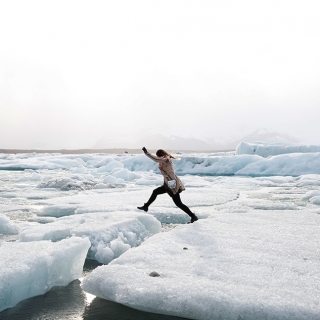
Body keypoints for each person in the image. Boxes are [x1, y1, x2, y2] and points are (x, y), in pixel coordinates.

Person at [137, 147, 198, 223]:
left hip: (172, 184)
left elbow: (155, 159)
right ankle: (146, 206)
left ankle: (193, 216)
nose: (158, 158)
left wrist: (146, 152)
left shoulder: (165, 160)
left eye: (158, 156)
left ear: (160, 155)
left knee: (179, 203)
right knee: (155, 191)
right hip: (167, 183)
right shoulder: (166, 159)